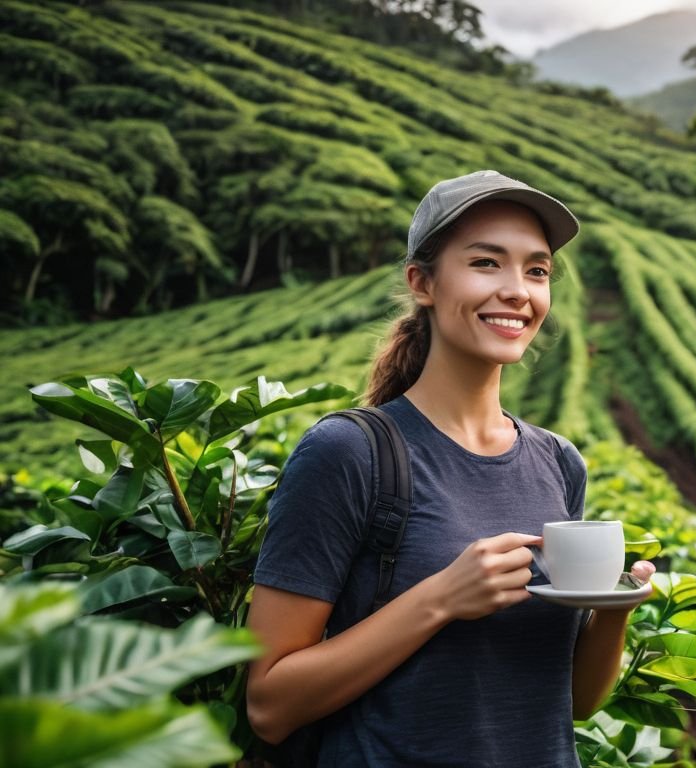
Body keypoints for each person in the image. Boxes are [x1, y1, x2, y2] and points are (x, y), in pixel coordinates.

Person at [245, 170, 655, 766]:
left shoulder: (558, 463)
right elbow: (270, 706)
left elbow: (574, 702)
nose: (518, 290)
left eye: (536, 271)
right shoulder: (349, 453)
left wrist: (616, 610)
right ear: (423, 283)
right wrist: (441, 598)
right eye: (487, 263)